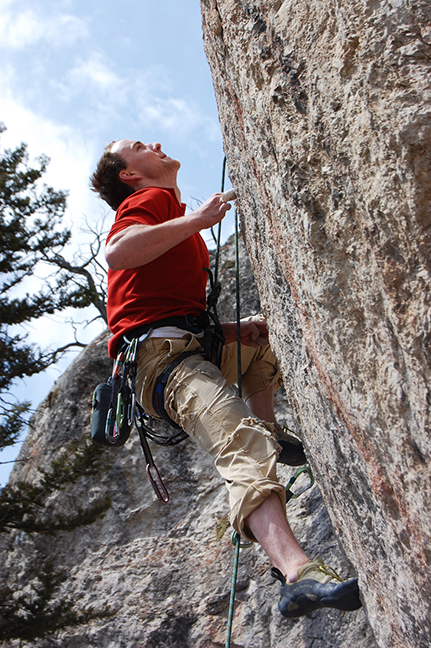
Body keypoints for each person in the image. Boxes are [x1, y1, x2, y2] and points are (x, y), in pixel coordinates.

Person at [90, 139, 361, 618]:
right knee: (240, 441)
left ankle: (271, 436)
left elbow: (162, 303)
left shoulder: (172, 217)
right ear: (129, 175)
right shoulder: (149, 202)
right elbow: (118, 253)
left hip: (191, 347)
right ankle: (296, 574)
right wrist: (197, 219)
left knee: (264, 347)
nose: (153, 144)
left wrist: (234, 331)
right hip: (162, 362)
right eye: (138, 147)